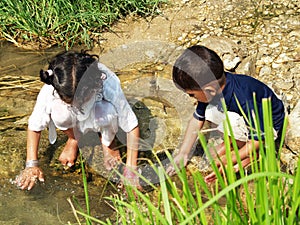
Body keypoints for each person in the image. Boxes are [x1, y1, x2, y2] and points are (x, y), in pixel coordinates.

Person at [15, 51, 140, 190]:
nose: (76, 105)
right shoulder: (51, 88)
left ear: (94, 86)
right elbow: (34, 126)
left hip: (100, 111)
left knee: (106, 113)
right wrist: (31, 165)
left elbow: (131, 126)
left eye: (81, 100)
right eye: (70, 102)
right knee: (60, 113)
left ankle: (108, 142)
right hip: (73, 118)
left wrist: (131, 170)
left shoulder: (106, 82)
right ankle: (74, 138)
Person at [166, 45, 285, 183]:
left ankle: (251, 156)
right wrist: (183, 153)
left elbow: (260, 137)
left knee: (230, 120)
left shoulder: (244, 98)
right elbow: (197, 120)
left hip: (267, 126)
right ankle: (231, 144)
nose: (192, 98)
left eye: (192, 95)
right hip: (244, 121)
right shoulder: (211, 90)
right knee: (210, 111)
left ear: (209, 90)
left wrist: (230, 159)